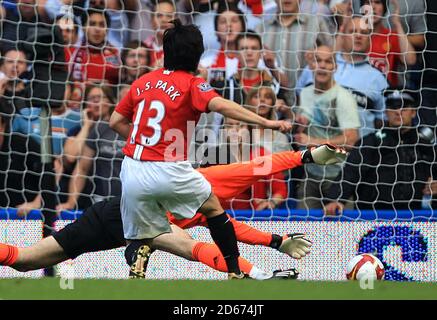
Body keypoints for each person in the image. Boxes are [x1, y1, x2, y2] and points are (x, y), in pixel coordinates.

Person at [109, 19, 292, 279]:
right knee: (213, 209)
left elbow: (115, 121)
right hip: (168, 168)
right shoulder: (193, 84)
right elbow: (222, 105)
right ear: (196, 55)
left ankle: (138, 259)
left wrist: (143, 142)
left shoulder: (143, 82)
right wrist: (266, 122)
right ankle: (234, 269)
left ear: (165, 53)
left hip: (131, 170)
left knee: (140, 235)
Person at [0, 145, 347, 278]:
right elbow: (262, 166)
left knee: (23, 259)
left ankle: (138, 249)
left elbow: (233, 229)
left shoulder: (209, 207)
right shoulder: (211, 180)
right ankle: (139, 248)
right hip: (128, 218)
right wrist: (306, 156)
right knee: (186, 246)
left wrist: (276, 240)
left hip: (109, 216)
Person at [324, 88, 437, 214]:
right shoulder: (370, 143)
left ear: (414, 112)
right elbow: (350, 173)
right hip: (372, 220)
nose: (398, 111)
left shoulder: (425, 146)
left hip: (414, 221)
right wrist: (335, 199)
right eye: (393, 107)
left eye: (404, 107)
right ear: (386, 111)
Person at [294, 44, 360, 209]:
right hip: (310, 174)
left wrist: (314, 142)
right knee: (304, 229)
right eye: (318, 60)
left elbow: (351, 140)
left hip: (337, 177)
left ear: (335, 67)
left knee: (341, 231)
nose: (322, 65)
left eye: (328, 61)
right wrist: (297, 124)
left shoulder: (344, 98)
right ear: (311, 65)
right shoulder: (305, 93)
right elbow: (300, 134)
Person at [0, 113, 42, 209]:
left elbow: (56, 167)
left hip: (26, 217)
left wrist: (36, 202)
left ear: (3, 126)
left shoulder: (22, 143)